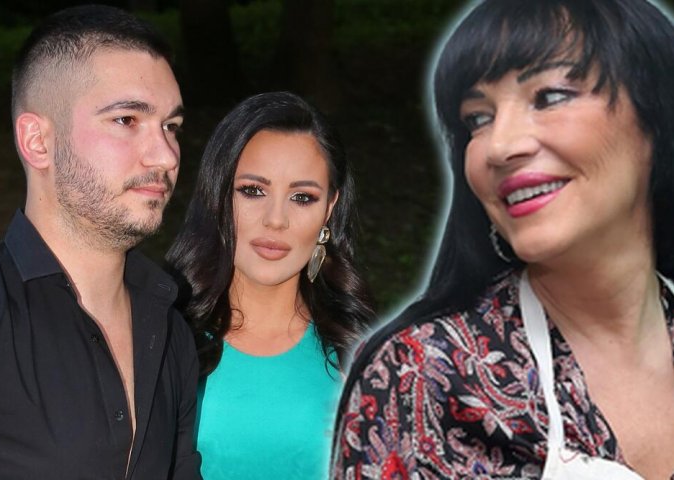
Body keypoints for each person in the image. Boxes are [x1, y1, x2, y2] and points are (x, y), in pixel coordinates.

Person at [332, 0, 674, 478]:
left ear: (655, 118)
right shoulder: (421, 374)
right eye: (477, 118)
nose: (499, 146)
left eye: (549, 96)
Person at [0, 5, 202, 479]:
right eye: (127, 120)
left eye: (171, 127)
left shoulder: (170, 329)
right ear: (38, 141)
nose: (166, 155)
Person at [166, 91, 375, 479]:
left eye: (302, 197)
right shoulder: (159, 335)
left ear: (329, 208)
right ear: (218, 196)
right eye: (253, 191)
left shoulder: (361, 350)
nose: (275, 220)